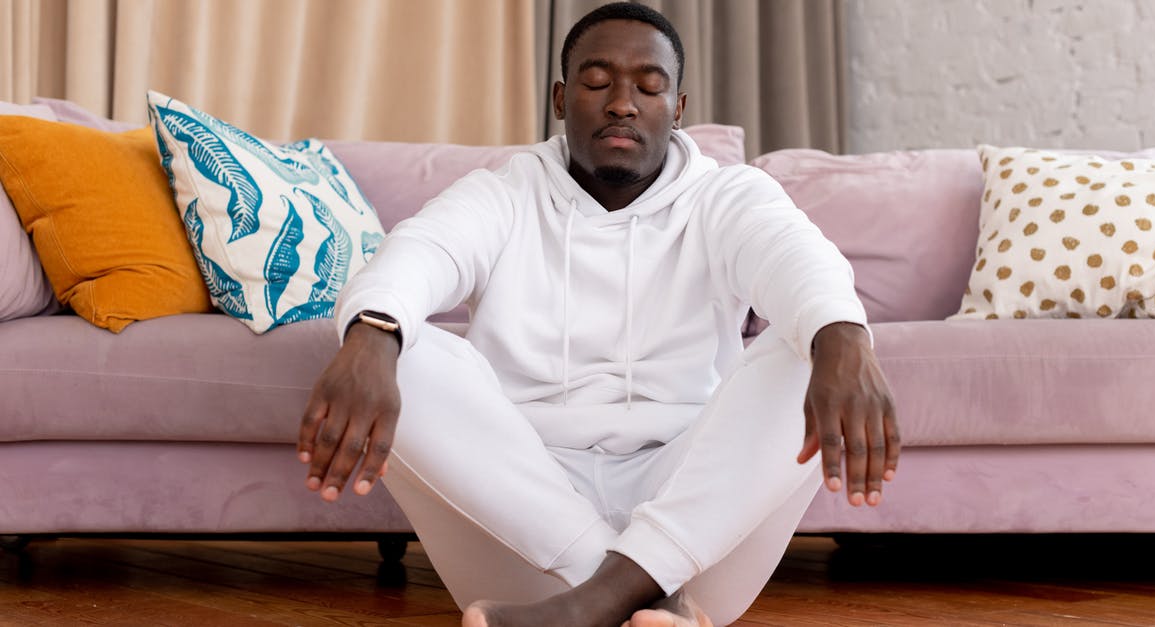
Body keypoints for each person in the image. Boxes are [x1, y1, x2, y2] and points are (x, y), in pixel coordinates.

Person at [297, 3, 899, 626]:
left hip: (691, 522)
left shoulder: (725, 195)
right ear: (560, 98)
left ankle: (599, 601)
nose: (622, 102)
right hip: (525, 535)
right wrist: (371, 335)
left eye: (649, 85)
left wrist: (845, 340)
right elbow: (423, 250)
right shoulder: (505, 191)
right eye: (596, 81)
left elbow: (793, 255)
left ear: (679, 108)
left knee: (812, 348)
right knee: (401, 345)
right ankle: (635, 599)